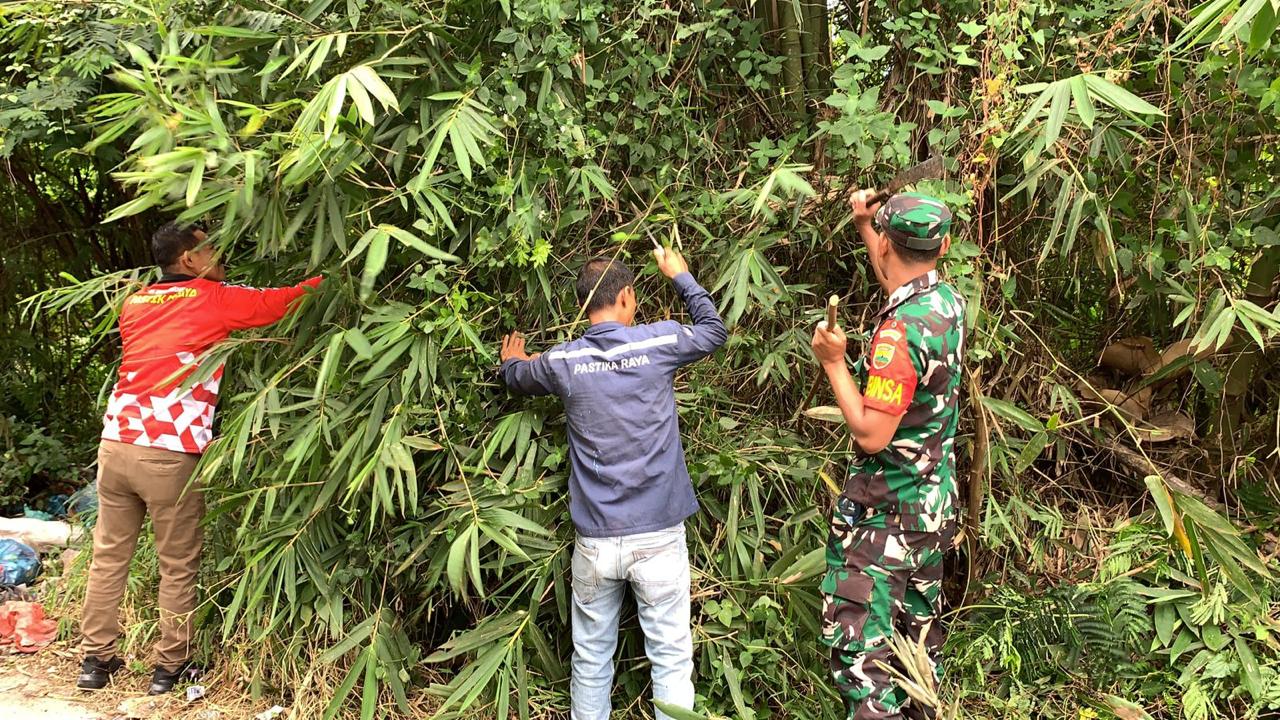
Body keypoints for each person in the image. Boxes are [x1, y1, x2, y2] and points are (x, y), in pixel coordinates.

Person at [78, 222, 322, 694]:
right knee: (178, 562)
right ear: (189, 259)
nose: (221, 255)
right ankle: (170, 668)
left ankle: (96, 662)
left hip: (116, 444)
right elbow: (282, 300)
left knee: (108, 558)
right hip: (168, 453)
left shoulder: (135, 302)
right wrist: (336, 279)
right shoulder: (213, 297)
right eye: (211, 248)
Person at [498, 247, 727, 720]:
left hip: (595, 544)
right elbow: (712, 331)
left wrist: (512, 362)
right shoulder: (657, 343)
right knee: (670, 661)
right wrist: (681, 276)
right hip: (659, 537)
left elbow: (518, 377)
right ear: (627, 297)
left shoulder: (564, 361)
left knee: (591, 661)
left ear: (583, 304)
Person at [810, 191, 967, 720]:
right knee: (916, 653)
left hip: (886, 517)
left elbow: (871, 434)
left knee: (865, 664)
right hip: (931, 510)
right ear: (942, 246)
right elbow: (895, 273)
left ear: (887, 248)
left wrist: (834, 363)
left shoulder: (899, 334)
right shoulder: (945, 302)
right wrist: (865, 224)